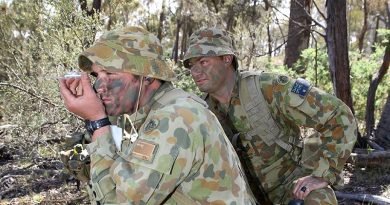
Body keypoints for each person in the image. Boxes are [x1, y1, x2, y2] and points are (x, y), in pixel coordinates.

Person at [59, 26, 256, 204]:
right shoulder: (136, 115)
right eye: (96, 76)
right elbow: (112, 171)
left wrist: (97, 122)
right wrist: (93, 121)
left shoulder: (177, 117)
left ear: (148, 76)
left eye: (109, 74)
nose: (99, 87)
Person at [183, 27, 358, 205]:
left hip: (290, 187)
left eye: (203, 62)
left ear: (227, 59)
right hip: (240, 197)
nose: (195, 72)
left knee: (320, 199)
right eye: (191, 65)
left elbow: (338, 115)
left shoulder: (267, 87)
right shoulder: (199, 111)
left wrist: (323, 174)